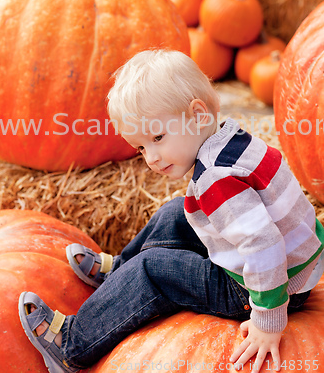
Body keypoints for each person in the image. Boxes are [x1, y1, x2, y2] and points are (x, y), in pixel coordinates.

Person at [19, 49, 324, 373]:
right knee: (177, 211)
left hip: (262, 289)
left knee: (153, 271)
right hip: (293, 267)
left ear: (197, 115)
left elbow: (264, 245)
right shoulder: (230, 137)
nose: (150, 157)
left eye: (158, 137)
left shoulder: (216, 179)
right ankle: (119, 270)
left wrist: (268, 320)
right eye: (141, 147)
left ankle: (71, 347)